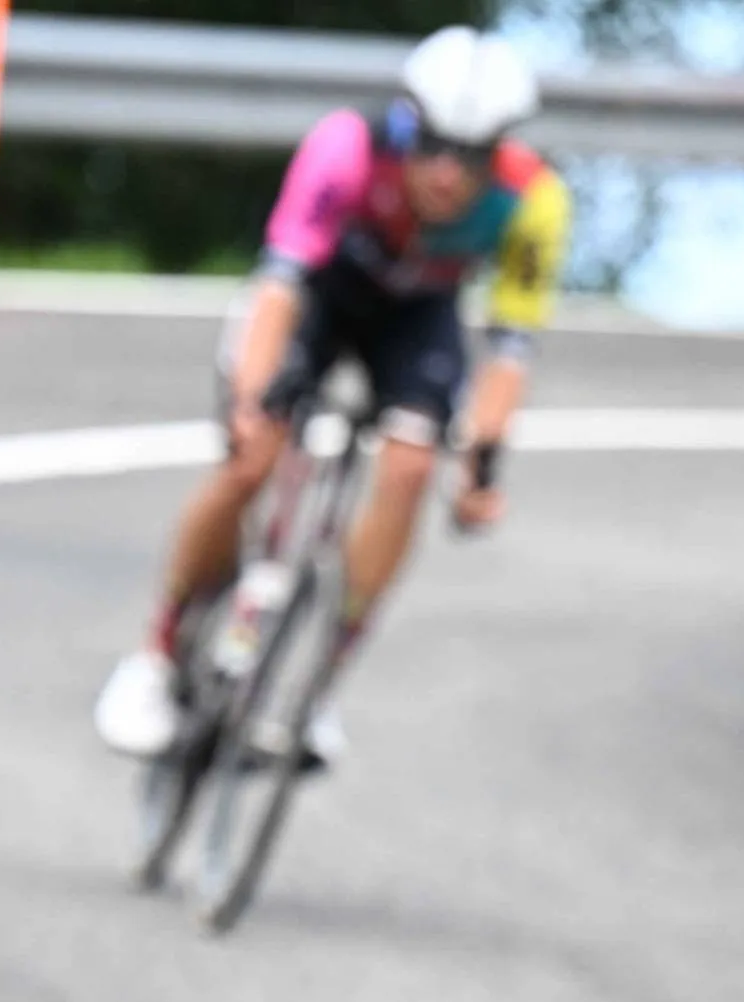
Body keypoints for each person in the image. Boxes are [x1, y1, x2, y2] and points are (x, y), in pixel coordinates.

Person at [93, 25, 570, 766]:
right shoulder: (346, 148)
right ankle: (155, 656)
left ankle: (316, 689)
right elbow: (280, 285)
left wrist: (480, 471)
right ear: (409, 122)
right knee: (251, 459)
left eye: (471, 157)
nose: (447, 173)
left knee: (411, 468)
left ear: (502, 150)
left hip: (417, 318)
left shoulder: (533, 201)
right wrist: (251, 401)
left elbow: (510, 349)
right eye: (435, 146)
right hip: (320, 297)